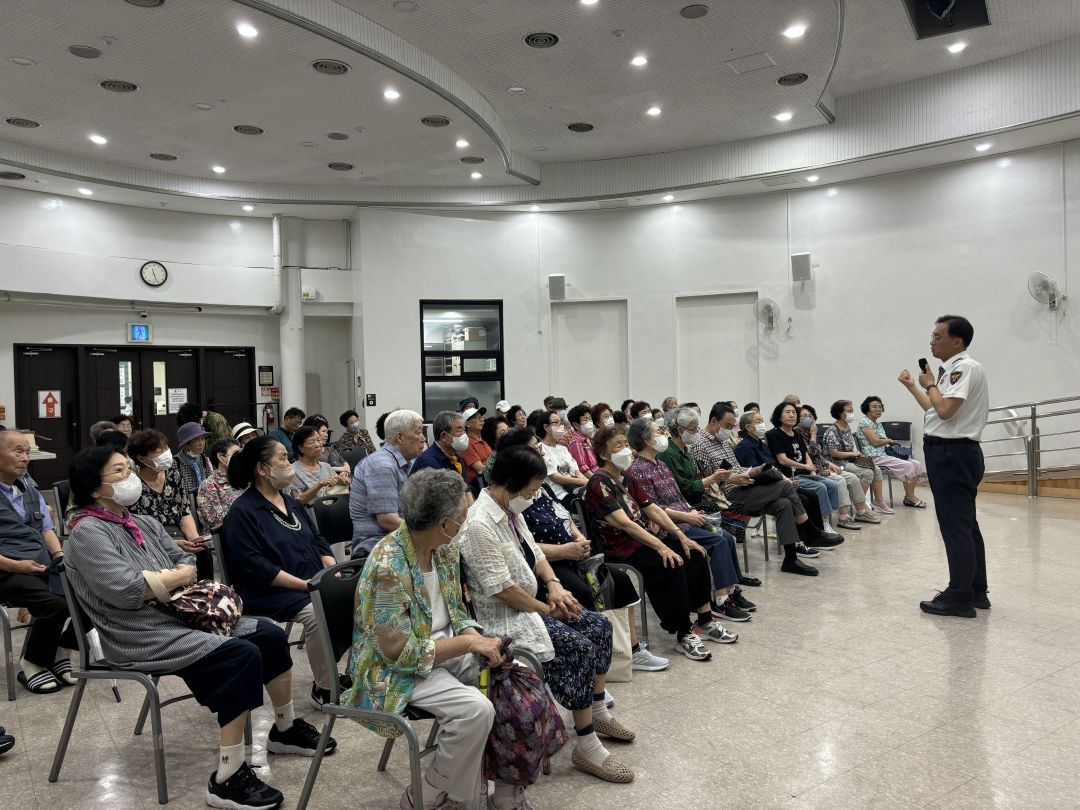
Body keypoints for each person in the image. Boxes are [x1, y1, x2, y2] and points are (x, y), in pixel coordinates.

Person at [64, 446, 326, 810]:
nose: (132, 478)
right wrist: (174, 578)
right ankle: (227, 776)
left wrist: (170, 578)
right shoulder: (87, 533)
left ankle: (284, 729)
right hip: (138, 634)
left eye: (129, 470)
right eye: (120, 472)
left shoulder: (141, 522)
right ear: (94, 488)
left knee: (268, 634)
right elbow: (127, 591)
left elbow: (187, 560)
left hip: (181, 617)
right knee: (241, 655)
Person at [459, 445, 637, 784]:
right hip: (505, 618)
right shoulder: (480, 524)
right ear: (510, 482)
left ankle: (596, 711)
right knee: (579, 647)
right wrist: (547, 608)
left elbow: (535, 552)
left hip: (531, 603)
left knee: (598, 626)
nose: (537, 493)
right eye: (532, 486)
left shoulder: (510, 509)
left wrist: (554, 585)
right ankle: (586, 745)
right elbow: (502, 590)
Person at [344, 470, 514, 810]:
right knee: (476, 711)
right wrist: (468, 645)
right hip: (393, 670)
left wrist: (472, 636)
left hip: (440, 648)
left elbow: (456, 609)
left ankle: (505, 791)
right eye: (463, 516)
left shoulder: (444, 549)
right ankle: (429, 790)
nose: (467, 521)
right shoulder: (388, 566)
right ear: (444, 523)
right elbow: (398, 653)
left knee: (513, 676)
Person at [496, 427, 669, 672]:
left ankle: (630, 651)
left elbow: (564, 516)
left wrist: (578, 538)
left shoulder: (540, 487)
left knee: (619, 580)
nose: (541, 449)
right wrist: (565, 551)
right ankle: (591, 665)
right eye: (535, 446)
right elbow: (525, 547)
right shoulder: (517, 497)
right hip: (550, 560)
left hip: (572, 553)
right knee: (581, 591)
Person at [223, 437, 340, 708]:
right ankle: (324, 689)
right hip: (270, 591)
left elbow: (317, 537)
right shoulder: (243, 511)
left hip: (309, 581)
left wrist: (328, 562)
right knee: (317, 613)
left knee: (352, 598)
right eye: (283, 459)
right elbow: (255, 566)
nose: (289, 464)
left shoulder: (291, 502)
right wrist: (304, 585)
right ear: (263, 469)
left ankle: (343, 674)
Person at [587, 426, 720, 659]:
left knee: (694, 553)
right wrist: (661, 546)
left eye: (626, 444)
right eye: (618, 446)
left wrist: (681, 536)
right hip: (621, 547)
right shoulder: (599, 483)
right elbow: (627, 525)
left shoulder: (627, 476)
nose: (626, 450)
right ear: (604, 454)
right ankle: (683, 632)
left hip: (644, 538)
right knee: (669, 563)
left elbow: (652, 509)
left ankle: (705, 620)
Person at [900, 315, 990, 617]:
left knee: (956, 528)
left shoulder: (963, 368)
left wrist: (930, 385)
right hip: (955, 452)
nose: (932, 341)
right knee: (966, 525)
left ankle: (960, 596)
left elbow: (946, 411)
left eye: (938, 336)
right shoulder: (950, 370)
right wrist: (916, 386)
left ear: (957, 341)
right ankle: (976, 590)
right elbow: (934, 411)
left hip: (952, 453)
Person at [624, 417, 754, 623]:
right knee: (719, 541)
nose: (664, 435)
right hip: (672, 525)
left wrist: (692, 511)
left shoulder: (660, 464)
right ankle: (720, 602)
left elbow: (678, 497)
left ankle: (730, 591)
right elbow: (653, 509)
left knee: (727, 537)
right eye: (658, 432)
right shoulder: (638, 470)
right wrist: (687, 516)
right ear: (646, 440)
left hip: (686, 517)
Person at [690, 403, 836, 575]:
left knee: (784, 504)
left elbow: (737, 468)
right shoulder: (700, 444)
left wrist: (754, 470)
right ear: (714, 421)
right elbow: (703, 480)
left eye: (732, 426)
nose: (731, 430)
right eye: (727, 426)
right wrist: (733, 478)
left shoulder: (722, 441)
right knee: (784, 486)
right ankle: (810, 530)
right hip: (725, 497)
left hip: (742, 487)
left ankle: (790, 559)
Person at [0, 430, 76, 694]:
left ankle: (61, 651)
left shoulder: (29, 489)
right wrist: (15, 565)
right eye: (17, 451)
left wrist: (60, 557)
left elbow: (46, 529)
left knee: (94, 592)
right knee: (55, 605)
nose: (25, 458)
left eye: (27, 452)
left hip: (39, 563)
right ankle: (32, 662)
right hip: (6, 569)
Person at [127, 429, 213, 580]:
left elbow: (184, 511)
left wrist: (194, 538)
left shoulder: (173, 473)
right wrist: (174, 543)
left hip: (179, 530)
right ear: (142, 458)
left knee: (202, 552)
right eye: (158, 451)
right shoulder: (133, 485)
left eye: (166, 447)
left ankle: (207, 594)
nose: (166, 453)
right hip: (152, 540)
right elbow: (137, 529)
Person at [350, 409, 427, 556]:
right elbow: (388, 521)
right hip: (377, 546)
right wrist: (425, 534)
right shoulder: (383, 465)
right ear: (400, 437)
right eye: (418, 432)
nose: (423, 438)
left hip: (394, 539)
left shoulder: (401, 462)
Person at [766, 402, 845, 541]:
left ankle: (824, 521)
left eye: (794, 412)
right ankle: (820, 526)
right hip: (790, 475)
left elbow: (805, 453)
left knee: (832, 485)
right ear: (779, 416)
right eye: (787, 412)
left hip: (803, 472)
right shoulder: (774, 434)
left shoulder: (796, 433)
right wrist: (805, 467)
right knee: (820, 487)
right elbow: (782, 460)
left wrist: (810, 466)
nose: (791, 415)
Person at [796, 405, 874, 530]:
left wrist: (828, 463)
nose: (808, 418)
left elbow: (819, 455)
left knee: (853, 478)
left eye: (810, 416)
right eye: (804, 416)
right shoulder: (797, 434)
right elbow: (810, 453)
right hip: (812, 471)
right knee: (840, 481)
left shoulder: (809, 432)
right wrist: (814, 436)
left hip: (824, 467)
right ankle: (844, 517)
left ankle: (861, 512)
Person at [856, 396, 926, 511]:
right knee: (908, 465)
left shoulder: (877, 424)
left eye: (880, 407)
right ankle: (910, 497)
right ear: (867, 409)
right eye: (874, 407)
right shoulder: (865, 422)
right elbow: (875, 442)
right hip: (873, 457)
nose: (878, 409)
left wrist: (890, 443)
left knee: (917, 463)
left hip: (883, 454)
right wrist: (888, 440)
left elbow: (882, 441)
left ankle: (909, 496)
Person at [821, 400, 885, 521]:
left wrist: (858, 455)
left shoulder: (847, 427)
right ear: (840, 413)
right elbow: (834, 453)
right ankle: (860, 507)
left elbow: (852, 448)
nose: (852, 414)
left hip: (850, 461)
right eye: (849, 411)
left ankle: (878, 501)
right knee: (867, 472)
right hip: (837, 463)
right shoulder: (832, 430)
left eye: (852, 411)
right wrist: (853, 453)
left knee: (875, 469)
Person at [536, 410, 589, 506]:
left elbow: (576, 471)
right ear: (546, 427)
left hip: (575, 487)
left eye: (561, 422)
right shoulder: (540, 449)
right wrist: (582, 482)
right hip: (558, 494)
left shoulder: (563, 448)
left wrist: (588, 483)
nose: (561, 425)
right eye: (556, 423)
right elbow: (555, 477)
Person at [290, 426, 349, 506]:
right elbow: (297, 502)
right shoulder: (292, 471)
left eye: (318, 440)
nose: (318, 445)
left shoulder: (326, 466)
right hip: (311, 514)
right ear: (301, 448)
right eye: (311, 442)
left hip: (332, 511)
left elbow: (335, 489)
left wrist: (342, 481)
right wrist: (320, 484)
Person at [196, 438, 244, 532]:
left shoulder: (245, 479)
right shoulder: (209, 485)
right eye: (236, 454)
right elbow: (217, 521)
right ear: (221, 457)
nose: (240, 458)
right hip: (228, 536)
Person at [411, 410, 469, 480]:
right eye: (460, 430)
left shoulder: (458, 458)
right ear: (444, 436)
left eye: (464, 430)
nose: (464, 435)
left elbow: (465, 487)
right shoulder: (428, 463)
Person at [175, 421, 214, 497]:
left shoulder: (203, 459)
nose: (201, 443)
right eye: (196, 440)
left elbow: (210, 482)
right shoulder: (175, 463)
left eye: (203, 439)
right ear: (186, 443)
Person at [458, 406, 491, 486]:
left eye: (481, 417)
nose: (482, 419)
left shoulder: (484, 439)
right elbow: (480, 468)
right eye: (477, 418)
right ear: (467, 424)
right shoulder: (466, 443)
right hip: (477, 485)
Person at [567, 404, 599, 477]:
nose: (590, 422)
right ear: (576, 425)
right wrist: (599, 482)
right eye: (585, 420)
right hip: (591, 480)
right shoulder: (576, 443)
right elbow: (583, 469)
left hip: (598, 474)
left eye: (590, 419)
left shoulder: (589, 439)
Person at [480, 415, 509, 480]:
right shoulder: (495, 462)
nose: (509, 434)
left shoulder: (513, 451)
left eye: (508, 430)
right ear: (493, 439)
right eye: (503, 432)